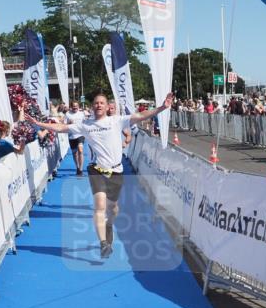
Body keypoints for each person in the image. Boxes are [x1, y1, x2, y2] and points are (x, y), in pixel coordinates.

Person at [30, 92, 173, 259]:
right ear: (92, 107)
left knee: (112, 208)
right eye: (96, 103)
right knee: (99, 206)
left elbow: (141, 115)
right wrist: (38, 123)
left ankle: (109, 225)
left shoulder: (116, 121)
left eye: (102, 103)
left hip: (116, 171)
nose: (98, 105)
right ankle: (104, 243)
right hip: (96, 170)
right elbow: (62, 128)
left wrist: (163, 107)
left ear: (107, 107)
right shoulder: (86, 124)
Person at [64, 102, 86, 175]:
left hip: (80, 134)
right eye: (73, 106)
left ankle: (81, 169)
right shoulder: (67, 114)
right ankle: (77, 167)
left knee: (80, 150)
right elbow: (64, 125)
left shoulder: (82, 114)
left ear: (78, 107)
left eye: (76, 106)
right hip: (71, 136)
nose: (75, 107)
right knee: (74, 153)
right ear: (71, 107)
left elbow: (85, 123)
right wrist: (69, 123)